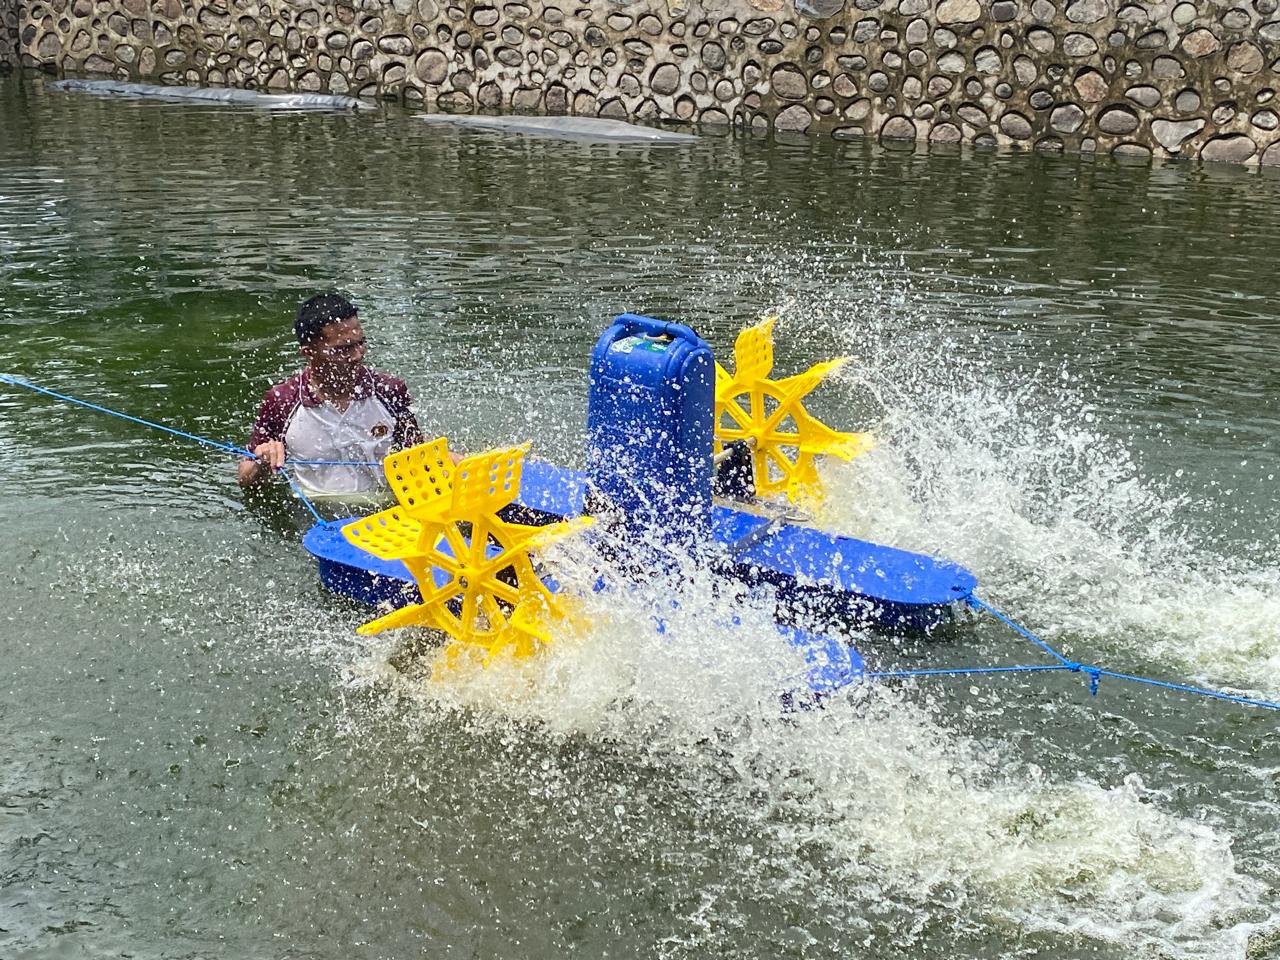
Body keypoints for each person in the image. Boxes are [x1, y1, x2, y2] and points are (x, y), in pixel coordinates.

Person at [238, 293, 423, 495]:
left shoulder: (389, 390)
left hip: (388, 507)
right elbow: (245, 479)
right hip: (316, 510)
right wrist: (263, 463)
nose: (358, 355)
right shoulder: (283, 400)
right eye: (344, 349)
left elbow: (418, 458)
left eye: (361, 343)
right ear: (309, 352)